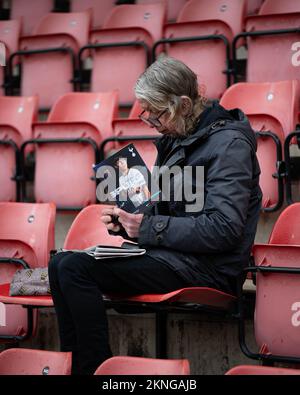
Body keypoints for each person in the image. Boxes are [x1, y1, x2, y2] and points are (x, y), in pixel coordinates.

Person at [48, 56, 262, 375]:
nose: (148, 119)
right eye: (144, 110)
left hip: (208, 267)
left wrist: (147, 227)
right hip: (173, 256)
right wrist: (130, 224)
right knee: (59, 263)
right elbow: (170, 209)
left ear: (185, 104)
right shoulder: (179, 139)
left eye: (155, 111)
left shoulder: (229, 146)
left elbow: (224, 229)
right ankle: (78, 365)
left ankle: (94, 369)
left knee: (76, 268)